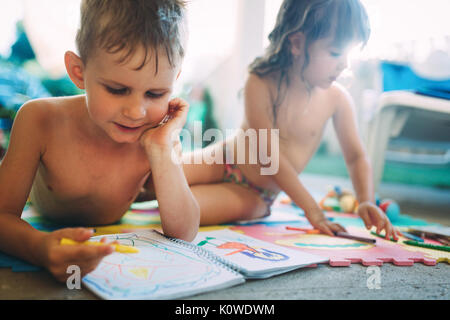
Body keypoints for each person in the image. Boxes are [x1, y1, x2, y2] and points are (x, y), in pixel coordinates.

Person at [0, 0, 199, 283]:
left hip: (145, 188)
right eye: (117, 90)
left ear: (174, 82)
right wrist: (39, 248)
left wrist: (161, 148)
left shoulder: (157, 135)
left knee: (224, 177)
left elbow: (185, 233)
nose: (136, 112)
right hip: (44, 212)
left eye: (155, 94)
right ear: (79, 72)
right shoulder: (39, 120)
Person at [181, 0, 397, 240]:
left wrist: (366, 200)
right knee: (157, 175)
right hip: (223, 159)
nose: (344, 64)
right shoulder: (260, 81)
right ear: (296, 43)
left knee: (182, 209)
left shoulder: (338, 99)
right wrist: (313, 211)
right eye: (335, 52)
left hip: (256, 194)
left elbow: (357, 157)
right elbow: (268, 155)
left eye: (349, 53)